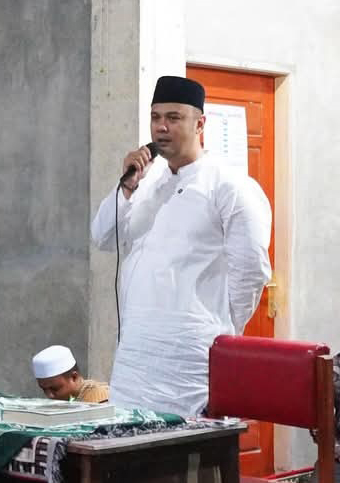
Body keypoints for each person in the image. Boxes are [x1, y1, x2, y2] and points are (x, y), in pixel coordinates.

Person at [90, 75, 272, 416]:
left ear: (200, 124)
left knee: (183, 446)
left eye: (174, 118)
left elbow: (251, 272)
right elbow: (102, 236)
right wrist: (127, 186)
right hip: (134, 359)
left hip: (189, 360)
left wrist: (217, 329)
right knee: (125, 443)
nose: (162, 127)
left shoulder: (230, 185)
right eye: (156, 117)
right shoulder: (147, 184)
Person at [32, 345, 109, 403]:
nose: (49, 395)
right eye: (44, 389)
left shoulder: (101, 401)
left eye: (55, 388)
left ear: (74, 377)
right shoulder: (71, 400)